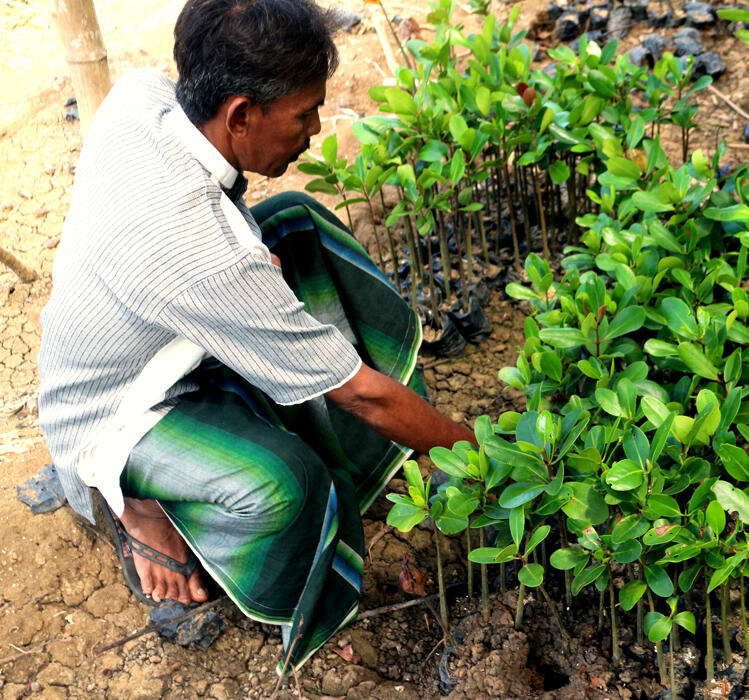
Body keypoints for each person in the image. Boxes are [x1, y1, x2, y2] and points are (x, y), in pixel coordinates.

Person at [38, 0, 474, 668]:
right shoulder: (207, 256)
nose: (316, 129)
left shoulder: (141, 99)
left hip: (155, 323)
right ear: (241, 114)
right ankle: (139, 506)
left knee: (293, 220)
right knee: (288, 484)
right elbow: (365, 396)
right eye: (305, 114)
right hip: (110, 411)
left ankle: (355, 455)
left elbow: (194, 231)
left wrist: (239, 241)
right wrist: (480, 455)